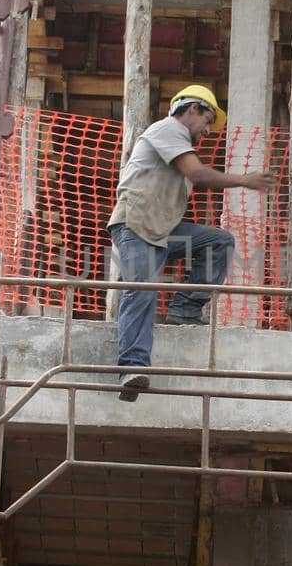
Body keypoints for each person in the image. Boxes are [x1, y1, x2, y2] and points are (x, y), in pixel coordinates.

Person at [107, 85, 276, 400]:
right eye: (208, 120)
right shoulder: (168, 129)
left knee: (218, 242)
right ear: (191, 109)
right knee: (142, 291)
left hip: (162, 229)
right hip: (136, 225)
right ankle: (132, 368)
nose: (209, 130)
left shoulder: (180, 141)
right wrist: (244, 180)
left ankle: (185, 309)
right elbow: (197, 173)